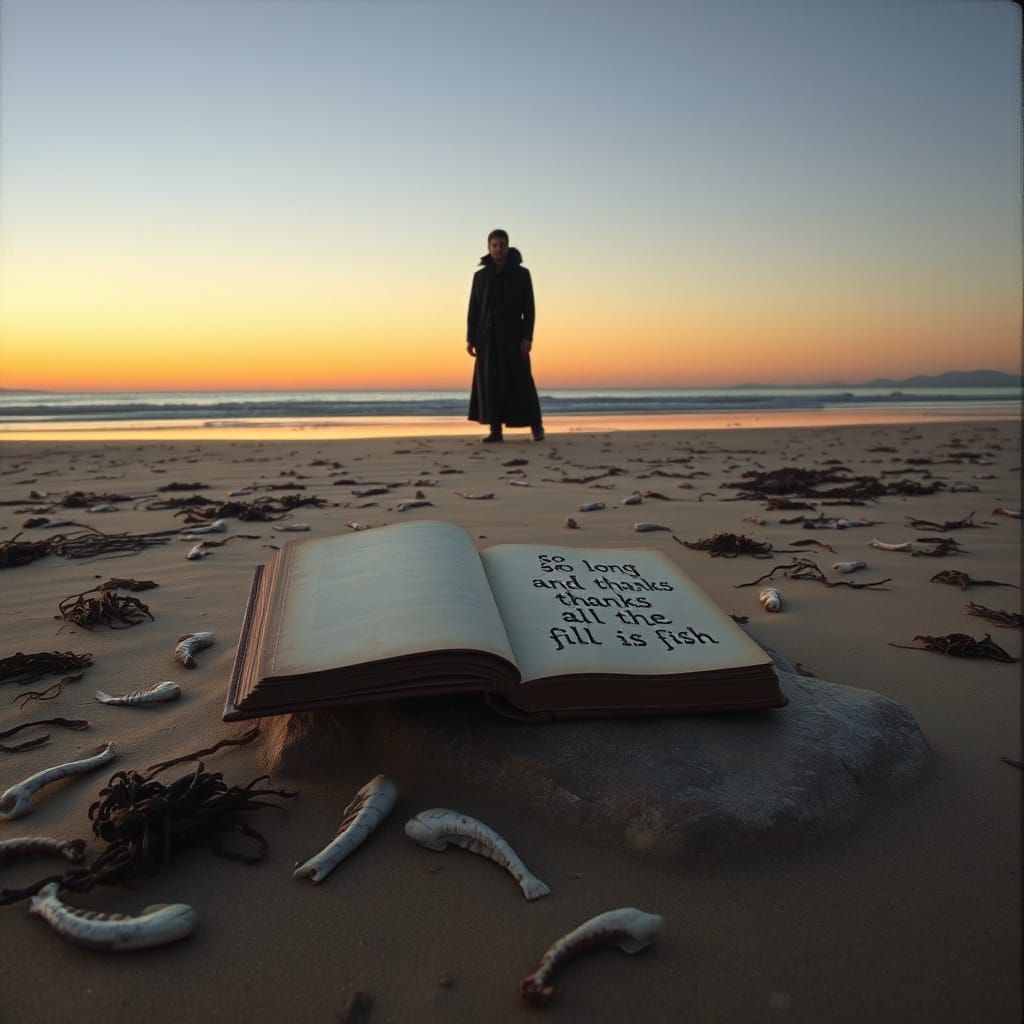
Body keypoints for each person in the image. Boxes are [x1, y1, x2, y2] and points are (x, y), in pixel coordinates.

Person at [466, 229, 545, 442]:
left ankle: (537, 427)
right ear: (489, 247)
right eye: (495, 245)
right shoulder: (480, 276)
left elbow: (529, 309)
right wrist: (471, 338)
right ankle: (495, 431)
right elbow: (474, 309)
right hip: (487, 337)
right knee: (490, 383)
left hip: (514, 337)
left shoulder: (522, 274)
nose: (498, 249)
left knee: (522, 382)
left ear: (508, 247)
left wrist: (527, 337)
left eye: (502, 245)